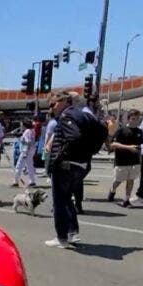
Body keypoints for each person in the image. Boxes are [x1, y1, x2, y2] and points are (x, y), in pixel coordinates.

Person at [45, 92, 105, 248]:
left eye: (53, 104)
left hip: (66, 164)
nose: (51, 108)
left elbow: (74, 137)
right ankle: (72, 232)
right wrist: (89, 152)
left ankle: (62, 237)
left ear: (65, 101)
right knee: (66, 198)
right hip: (81, 165)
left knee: (59, 200)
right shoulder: (85, 115)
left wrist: (63, 155)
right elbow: (103, 131)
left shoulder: (67, 116)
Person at [107, 109, 143, 207]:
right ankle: (112, 190)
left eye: (137, 119)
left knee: (131, 179)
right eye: (133, 119)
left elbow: (139, 145)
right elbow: (113, 144)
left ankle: (126, 199)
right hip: (121, 160)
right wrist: (128, 148)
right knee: (118, 180)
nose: (135, 121)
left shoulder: (139, 131)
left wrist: (139, 155)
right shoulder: (121, 130)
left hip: (134, 160)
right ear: (128, 119)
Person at [12, 119, 37, 187]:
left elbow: (28, 142)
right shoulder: (32, 130)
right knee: (30, 165)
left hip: (26, 150)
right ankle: (32, 181)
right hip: (32, 150)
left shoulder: (27, 132)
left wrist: (25, 152)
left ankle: (16, 181)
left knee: (19, 165)